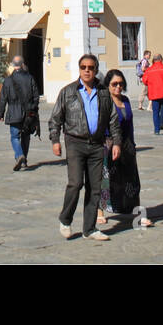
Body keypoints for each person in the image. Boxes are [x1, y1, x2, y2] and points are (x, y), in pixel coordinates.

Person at [49, 54, 122, 241]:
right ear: (79, 69)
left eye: (90, 67)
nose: (87, 70)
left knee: (95, 187)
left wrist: (116, 142)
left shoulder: (104, 92)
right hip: (75, 142)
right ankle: (65, 219)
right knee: (75, 183)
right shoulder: (68, 92)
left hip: (97, 144)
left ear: (96, 70)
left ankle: (89, 228)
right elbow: (55, 118)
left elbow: (113, 120)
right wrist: (55, 140)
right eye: (83, 67)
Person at [99, 69, 152, 227]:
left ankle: (137, 214)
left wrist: (132, 144)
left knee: (132, 180)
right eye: (114, 84)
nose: (118, 87)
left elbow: (130, 125)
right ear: (107, 85)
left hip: (127, 145)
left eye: (121, 84)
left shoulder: (126, 100)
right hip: (108, 144)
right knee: (105, 180)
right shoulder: (104, 101)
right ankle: (99, 211)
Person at [0, 55, 40, 171]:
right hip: (28, 113)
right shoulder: (30, 78)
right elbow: (36, 96)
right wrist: (33, 109)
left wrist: (1, 113)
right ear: (22, 65)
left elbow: (3, 98)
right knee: (26, 136)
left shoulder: (8, 80)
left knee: (15, 137)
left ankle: (19, 155)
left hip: (14, 112)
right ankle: (24, 160)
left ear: (13, 65)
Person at [142, 53, 163, 134]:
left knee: (155, 112)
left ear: (153, 60)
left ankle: (157, 129)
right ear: (161, 59)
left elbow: (145, 81)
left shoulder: (149, 70)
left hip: (154, 94)